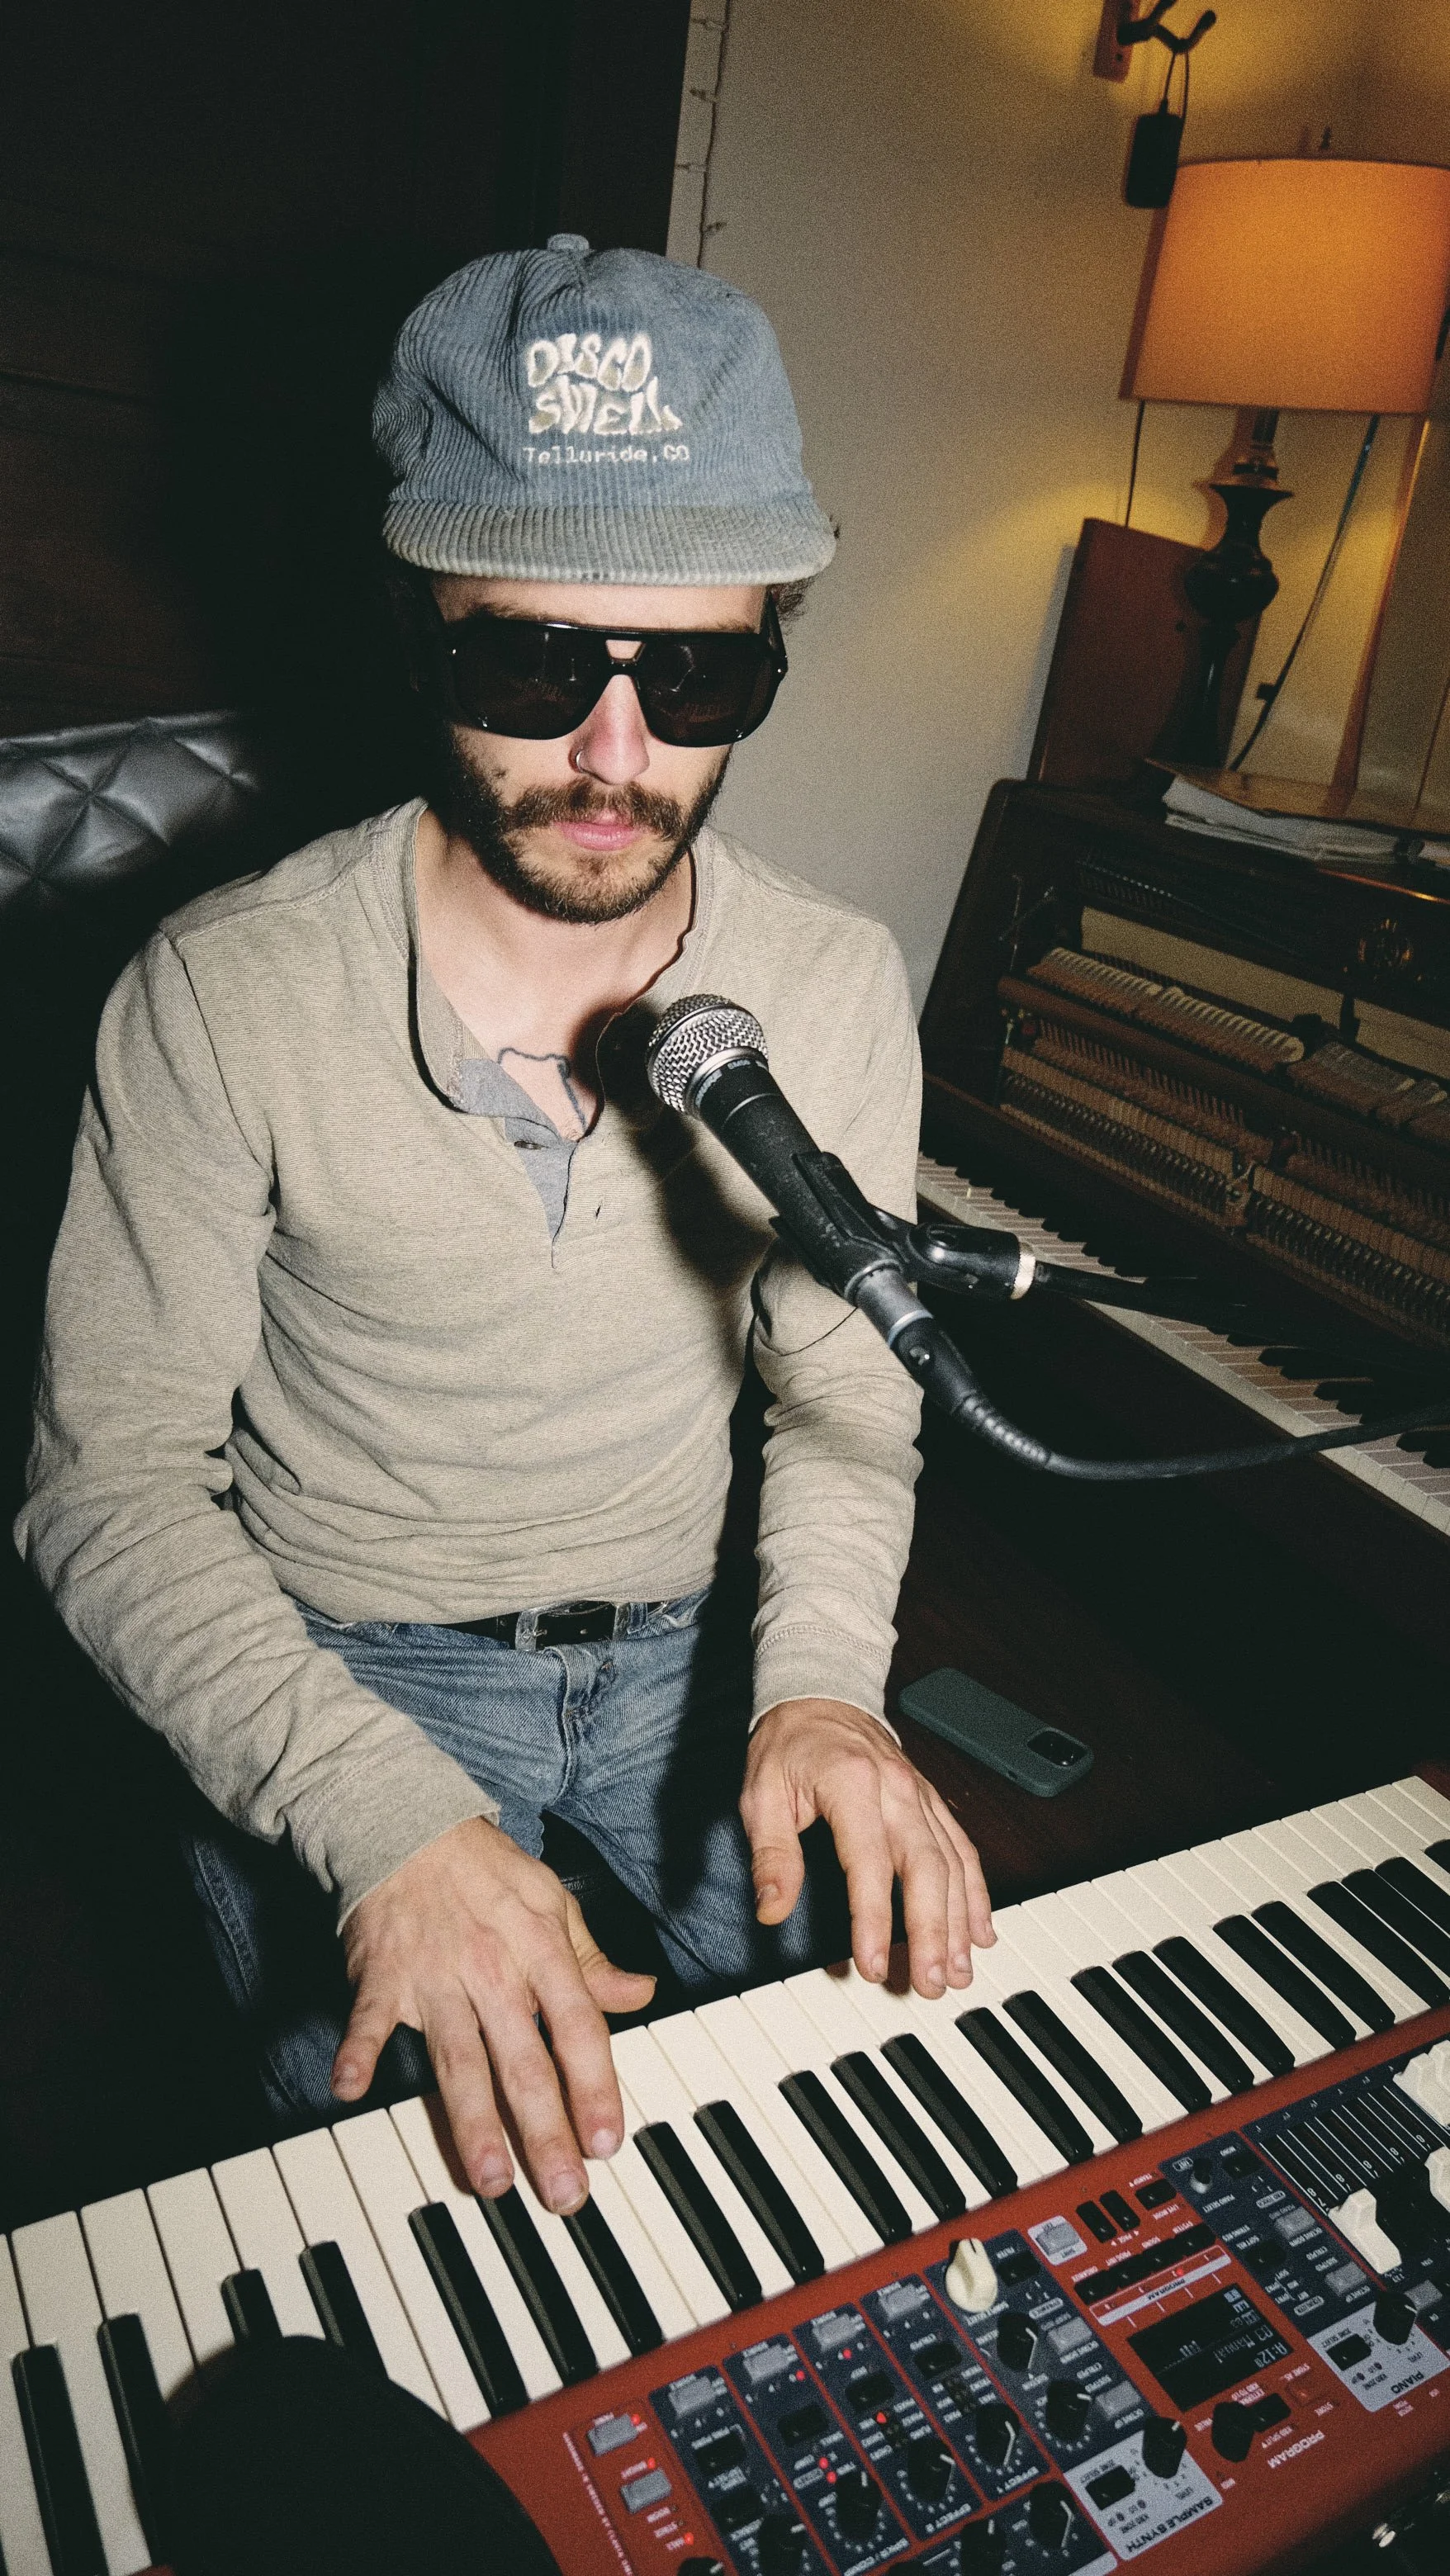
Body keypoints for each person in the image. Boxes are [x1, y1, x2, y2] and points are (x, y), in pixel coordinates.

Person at [18, 234, 993, 2221]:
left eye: (698, 673)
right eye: (534, 664)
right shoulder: (217, 992)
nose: (615, 758)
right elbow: (106, 1485)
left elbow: (842, 1395)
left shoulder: (826, 981)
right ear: (417, 623)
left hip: (696, 1653)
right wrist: (379, 1818)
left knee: (838, 2144)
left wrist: (818, 1683)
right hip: (330, 1667)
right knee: (418, 2214)